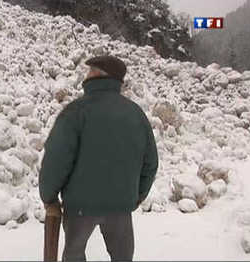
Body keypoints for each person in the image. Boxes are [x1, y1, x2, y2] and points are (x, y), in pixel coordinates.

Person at [39, 55, 159, 262]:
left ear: (95, 74)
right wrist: (137, 196)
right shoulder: (135, 113)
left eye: (89, 70)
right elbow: (150, 162)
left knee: (74, 255)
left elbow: (57, 158)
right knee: (122, 257)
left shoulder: (76, 111)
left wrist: (49, 196)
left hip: (80, 205)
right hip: (121, 205)